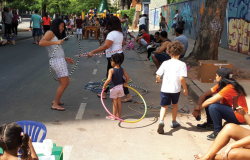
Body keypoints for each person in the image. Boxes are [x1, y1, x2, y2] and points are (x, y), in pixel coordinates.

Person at [192, 67, 248, 140]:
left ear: (220, 77)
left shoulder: (230, 87)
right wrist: (198, 109)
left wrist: (198, 108)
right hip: (231, 109)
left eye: (216, 75)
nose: (215, 77)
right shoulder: (223, 84)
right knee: (208, 99)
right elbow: (205, 94)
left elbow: (211, 101)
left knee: (213, 106)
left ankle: (218, 132)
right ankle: (210, 124)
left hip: (239, 116)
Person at [87, 16, 133, 103]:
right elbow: (123, 43)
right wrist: (117, 47)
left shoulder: (111, 34)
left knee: (113, 76)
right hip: (119, 55)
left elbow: (106, 46)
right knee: (112, 75)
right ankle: (104, 93)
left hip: (114, 57)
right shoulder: (119, 33)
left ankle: (127, 94)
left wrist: (93, 52)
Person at [39, 18, 74, 111]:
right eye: (62, 26)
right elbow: (41, 42)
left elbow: (57, 52)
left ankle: (56, 101)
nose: (63, 28)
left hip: (59, 60)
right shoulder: (50, 33)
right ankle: (55, 104)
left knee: (65, 82)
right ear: (56, 25)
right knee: (64, 83)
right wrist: (56, 42)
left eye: (64, 27)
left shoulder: (54, 35)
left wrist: (66, 59)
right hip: (57, 61)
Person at [156, 41, 188, 134]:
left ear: (168, 52)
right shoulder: (182, 64)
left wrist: (158, 80)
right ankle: (173, 121)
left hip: (165, 89)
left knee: (164, 106)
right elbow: (182, 78)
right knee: (175, 104)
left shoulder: (165, 63)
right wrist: (185, 88)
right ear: (181, 53)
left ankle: (161, 121)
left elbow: (158, 75)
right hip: (175, 90)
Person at [103, 53, 130, 120]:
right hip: (120, 88)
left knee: (114, 102)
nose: (111, 62)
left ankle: (114, 116)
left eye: (111, 61)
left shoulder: (111, 70)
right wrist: (125, 83)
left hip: (114, 88)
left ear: (113, 62)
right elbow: (127, 77)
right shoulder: (122, 69)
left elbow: (108, 79)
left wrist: (104, 85)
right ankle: (119, 115)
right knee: (119, 102)